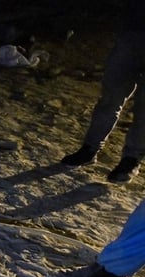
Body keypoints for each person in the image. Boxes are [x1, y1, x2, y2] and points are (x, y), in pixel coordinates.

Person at [61, 2, 145, 184]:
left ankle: (131, 160)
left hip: (132, 32)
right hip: (133, 33)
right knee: (111, 96)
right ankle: (90, 148)